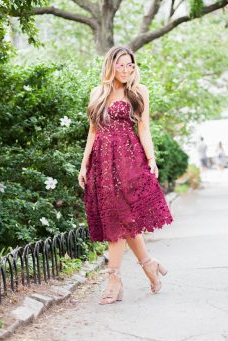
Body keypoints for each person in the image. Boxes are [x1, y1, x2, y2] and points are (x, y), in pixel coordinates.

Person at [78, 45, 173, 305]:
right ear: (110, 65)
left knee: (121, 217)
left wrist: (151, 159)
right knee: (120, 217)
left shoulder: (139, 91)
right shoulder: (97, 93)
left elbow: (144, 128)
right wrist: (84, 164)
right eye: (120, 64)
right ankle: (149, 265)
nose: (126, 69)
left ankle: (114, 278)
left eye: (130, 65)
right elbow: (93, 131)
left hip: (128, 159)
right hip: (102, 162)